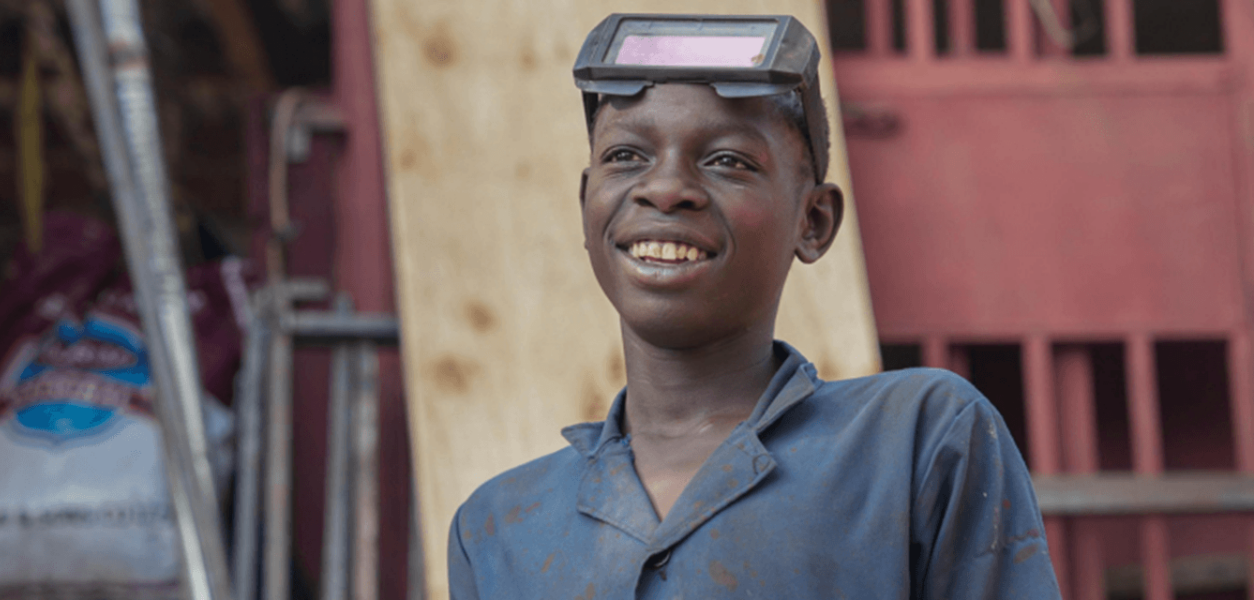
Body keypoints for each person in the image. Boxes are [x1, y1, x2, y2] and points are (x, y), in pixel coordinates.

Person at [447, 14, 1060, 599]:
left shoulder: (916, 443)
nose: (663, 188)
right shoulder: (498, 528)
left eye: (728, 162)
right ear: (587, 204)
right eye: (626, 156)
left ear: (813, 222)